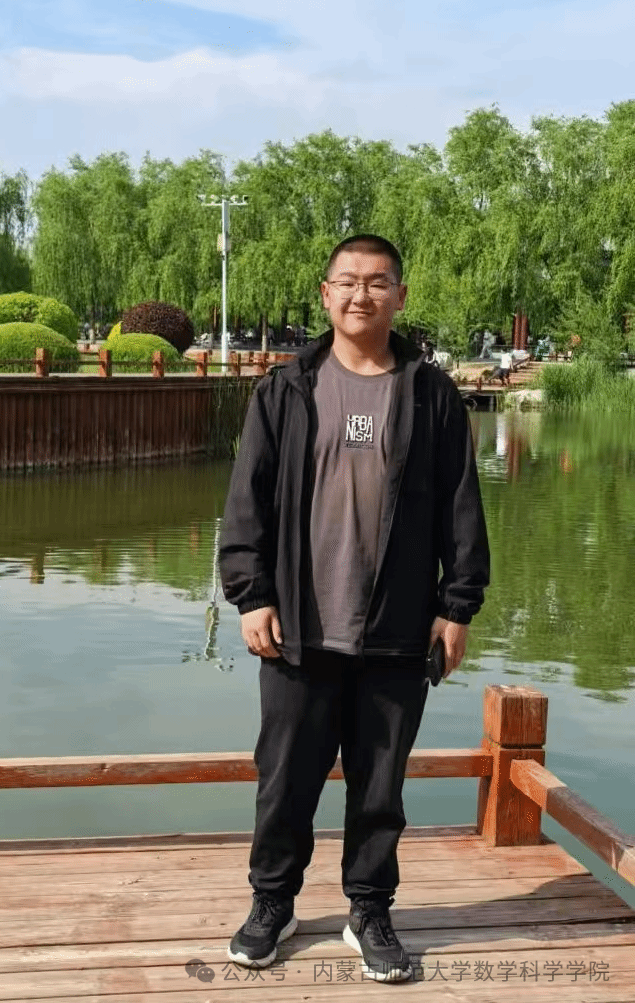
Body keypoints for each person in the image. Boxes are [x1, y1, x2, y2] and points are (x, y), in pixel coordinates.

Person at [218, 234, 490, 982]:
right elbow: (247, 503)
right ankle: (273, 903)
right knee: (285, 782)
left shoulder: (430, 394)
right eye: (347, 281)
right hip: (296, 631)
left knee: (380, 787)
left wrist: (457, 607)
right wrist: (251, 594)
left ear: (400, 295)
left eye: (376, 282)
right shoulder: (285, 390)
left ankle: (369, 910)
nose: (360, 294)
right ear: (325, 293)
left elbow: (461, 508)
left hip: (397, 630)